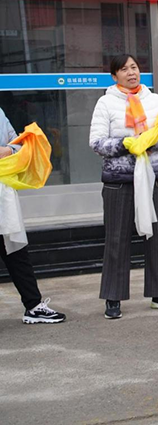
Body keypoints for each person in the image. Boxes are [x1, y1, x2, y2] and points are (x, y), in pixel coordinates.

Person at [89, 54, 158, 320]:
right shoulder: (106, 102)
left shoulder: (155, 100)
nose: (131, 73)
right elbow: (96, 142)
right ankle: (113, 297)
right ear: (114, 76)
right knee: (116, 238)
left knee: (155, 237)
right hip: (119, 181)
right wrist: (126, 144)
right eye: (124, 69)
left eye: (134, 67)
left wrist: (148, 140)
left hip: (152, 178)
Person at [0, 107, 66, 324]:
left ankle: (34, 306)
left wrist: (8, 150)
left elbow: (18, 143)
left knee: (16, 252)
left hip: (3, 193)